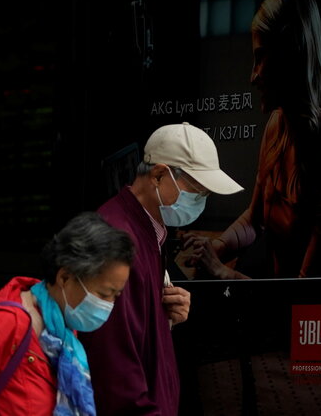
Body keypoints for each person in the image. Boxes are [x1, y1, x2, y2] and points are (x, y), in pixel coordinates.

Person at [185, 0, 321, 280]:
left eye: (261, 58)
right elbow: (255, 219)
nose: (252, 76)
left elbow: (306, 287)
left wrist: (221, 273)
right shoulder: (277, 124)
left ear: (292, 54)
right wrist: (216, 247)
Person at [79, 122, 243, 416]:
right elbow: (114, 371)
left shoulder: (146, 231)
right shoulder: (116, 243)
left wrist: (161, 315)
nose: (201, 201)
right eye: (197, 191)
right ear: (158, 175)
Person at [0, 212, 136, 416]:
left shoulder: (62, 334)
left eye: (116, 295)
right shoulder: (1, 325)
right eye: (104, 293)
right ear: (65, 277)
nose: (108, 304)